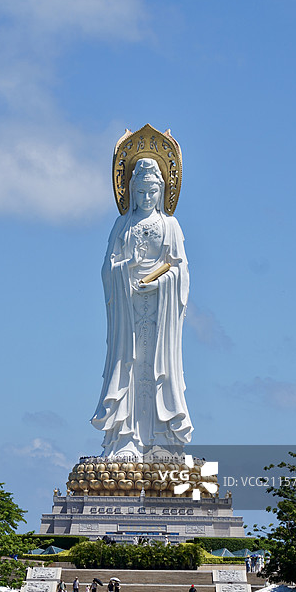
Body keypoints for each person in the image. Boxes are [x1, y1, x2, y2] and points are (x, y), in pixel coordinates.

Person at [91, 158, 193, 459]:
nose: (146, 199)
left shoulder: (170, 225)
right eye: (141, 193)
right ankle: (126, 440)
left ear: (161, 192)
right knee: (129, 367)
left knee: (159, 369)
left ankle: (162, 439)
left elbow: (180, 270)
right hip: (128, 310)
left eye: (152, 192)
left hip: (160, 312)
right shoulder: (122, 224)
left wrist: (161, 281)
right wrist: (128, 268)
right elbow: (107, 270)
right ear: (131, 191)